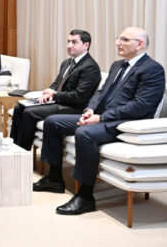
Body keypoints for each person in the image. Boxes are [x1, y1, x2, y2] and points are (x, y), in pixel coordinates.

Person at [35, 27, 165, 215]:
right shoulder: (117, 65)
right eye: (118, 38)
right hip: (101, 117)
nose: (117, 43)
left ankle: (85, 197)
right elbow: (101, 92)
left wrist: (102, 117)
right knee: (53, 122)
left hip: (125, 123)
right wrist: (90, 110)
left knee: (84, 133)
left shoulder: (152, 69)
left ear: (140, 44)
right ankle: (54, 179)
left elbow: (141, 106)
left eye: (124, 40)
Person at [10, 30, 101, 150]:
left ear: (86, 45)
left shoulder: (90, 67)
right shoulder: (67, 63)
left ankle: (22, 151)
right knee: (19, 108)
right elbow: (56, 83)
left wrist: (54, 94)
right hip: (59, 101)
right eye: (68, 41)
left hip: (74, 107)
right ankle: (12, 147)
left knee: (29, 112)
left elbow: (79, 96)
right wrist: (48, 93)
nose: (69, 45)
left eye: (74, 42)